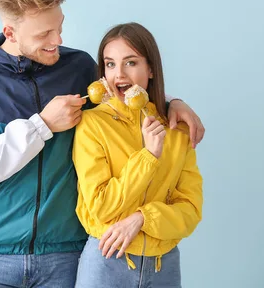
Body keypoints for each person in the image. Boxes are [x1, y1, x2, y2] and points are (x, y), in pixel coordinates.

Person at [0, 0, 205, 287]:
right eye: (44, 35)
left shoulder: (79, 67)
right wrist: (41, 125)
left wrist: (171, 103)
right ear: (10, 32)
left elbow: (124, 93)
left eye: (59, 27)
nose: (58, 41)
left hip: (64, 253)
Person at [73, 22, 204, 288]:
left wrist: (143, 218)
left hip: (164, 266)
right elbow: (100, 206)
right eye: (110, 64)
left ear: (151, 69)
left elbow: (190, 210)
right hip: (107, 261)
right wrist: (148, 156)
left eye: (130, 63)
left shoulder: (177, 128)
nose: (118, 74)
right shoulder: (92, 125)